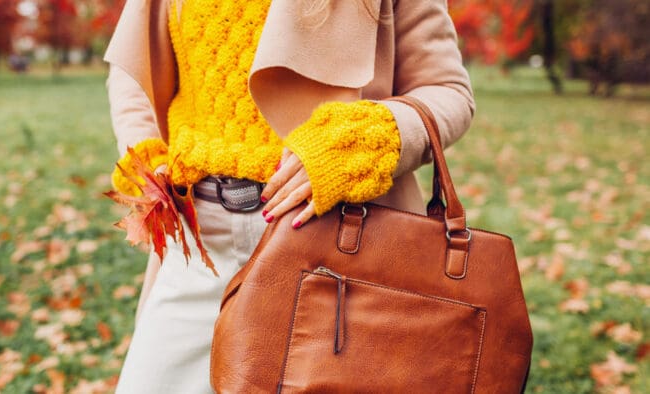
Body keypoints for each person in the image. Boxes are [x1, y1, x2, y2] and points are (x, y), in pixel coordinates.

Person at [104, 0, 474, 392]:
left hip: (339, 243)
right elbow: (131, 69)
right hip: (197, 239)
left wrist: (354, 143)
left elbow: (447, 91)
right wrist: (142, 153)